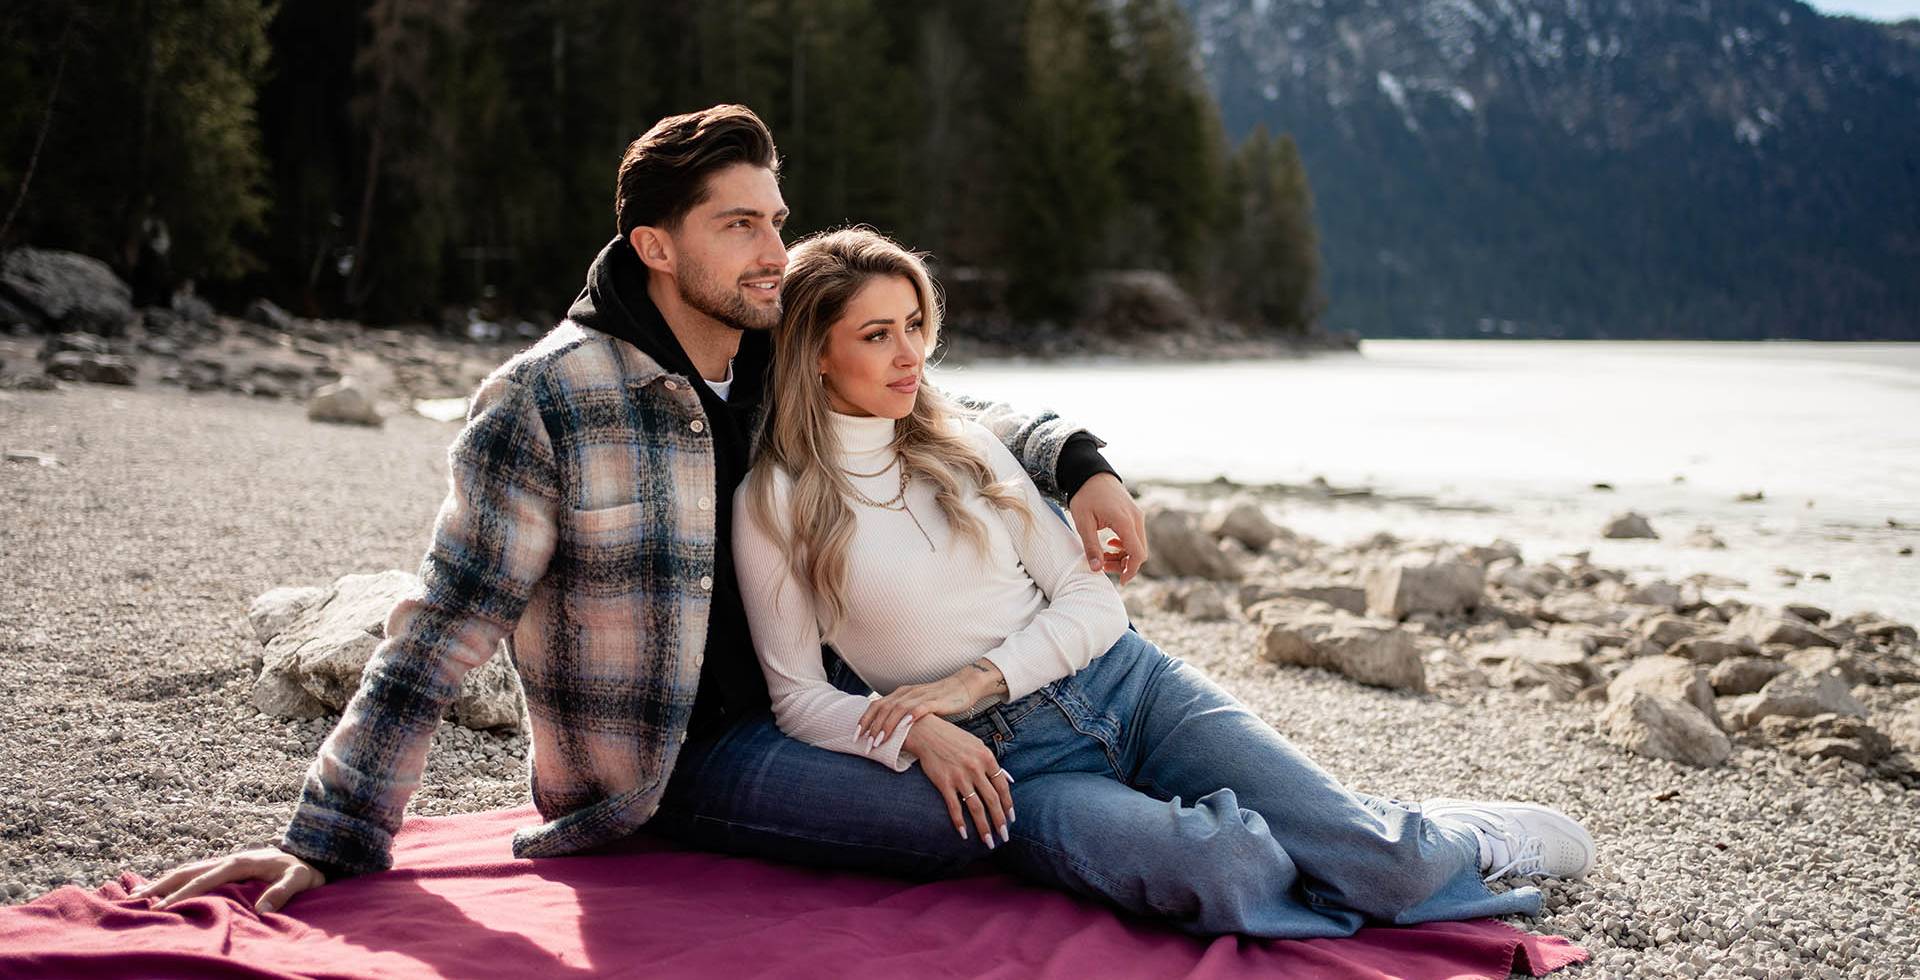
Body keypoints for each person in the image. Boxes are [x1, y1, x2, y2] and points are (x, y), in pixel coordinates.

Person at [130, 105, 1149, 914]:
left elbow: (935, 402)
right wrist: (332, 832)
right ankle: (1150, 837)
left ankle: (1146, 819)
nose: (773, 253)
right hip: (673, 759)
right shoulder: (547, 401)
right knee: (964, 823)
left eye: (776, 222)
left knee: (1004, 770)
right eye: (740, 225)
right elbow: (443, 625)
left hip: (822, 706)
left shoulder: (767, 351)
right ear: (657, 247)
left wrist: (1080, 459)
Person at [733, 226, 1597, 939]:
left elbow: (1093, 599)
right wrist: (913, 733)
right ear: (813, 352)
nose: (909, 355)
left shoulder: (966, 444)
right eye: (876, 335)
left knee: (1394, 872)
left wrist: (976, 678)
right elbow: (799, 699)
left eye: (914, 325)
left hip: (1130, 685)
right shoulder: (773, 503)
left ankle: (1439, 838)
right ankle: (1342, 833)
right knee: (1226, 873)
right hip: (1017, 773)